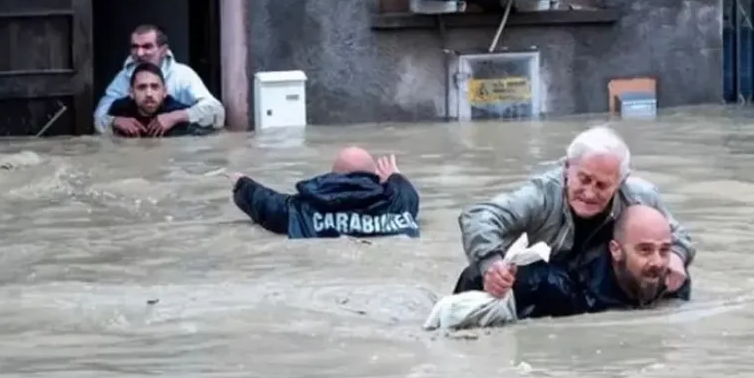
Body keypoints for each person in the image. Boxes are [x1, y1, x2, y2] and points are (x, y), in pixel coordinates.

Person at [454, 125, 695, 299]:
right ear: (567, 168)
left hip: (592, 280)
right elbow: (479, 216)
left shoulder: (640, 196)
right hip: (544, 277)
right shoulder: (541, 195)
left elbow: (679, 236)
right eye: (584, 179)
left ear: (620, 182)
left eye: (602, 185)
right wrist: (492, 265)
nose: (589, 193)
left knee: (675, 279)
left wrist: (676, 256)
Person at [511, 204, 692, 319]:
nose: (658, 262)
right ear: (616, 251)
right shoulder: (567, 289)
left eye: (664, 250)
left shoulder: (674, 280)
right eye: (645, 250)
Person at [230, 147, 421, 239]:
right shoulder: (395, 204)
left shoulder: (304, 208)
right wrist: (396, 179)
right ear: (376, 178)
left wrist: (243, 185)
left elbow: (269, 206)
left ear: (332, 176)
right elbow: (409, 199)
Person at [94, 24, 225, 136]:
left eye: (147, 47)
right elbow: (98, 118)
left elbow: (217, 113)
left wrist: (175, 117)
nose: (139, 53)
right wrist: (115, 121)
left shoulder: (182, 75)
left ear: (163, 50)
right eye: (135, 47)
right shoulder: (123, 77)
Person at [106, 63, 218, 137]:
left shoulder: (176, 110)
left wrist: (175, 118)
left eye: (154, 87)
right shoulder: (119, 110)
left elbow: (216, 121)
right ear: (131, 93)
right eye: (142, 87)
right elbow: (97, 124)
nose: (149, 94)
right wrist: (113, 122)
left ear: (164, 91)